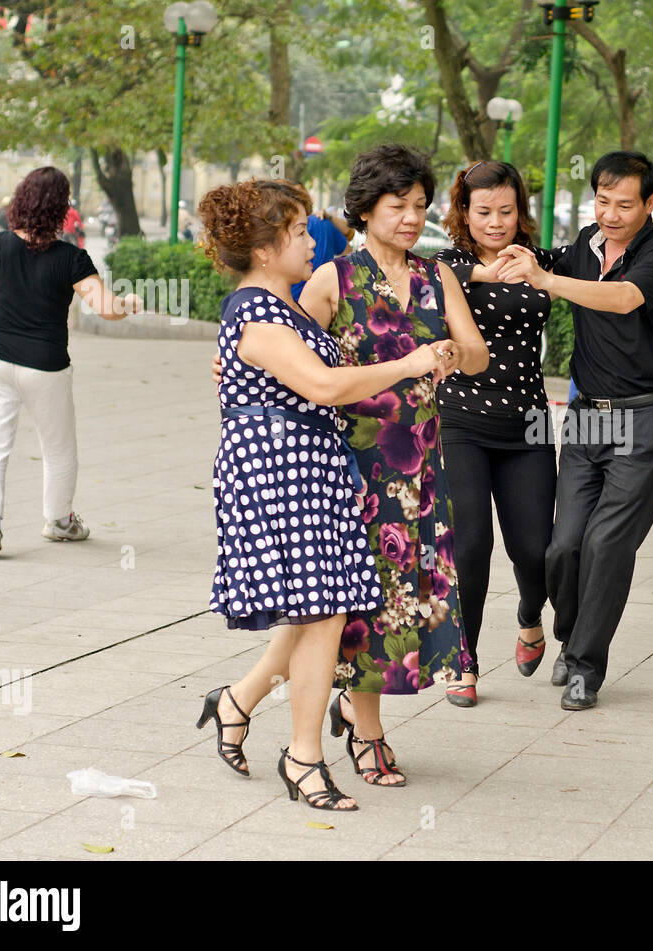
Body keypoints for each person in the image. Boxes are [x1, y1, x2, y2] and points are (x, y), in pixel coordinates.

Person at [197, 178, 450, 810]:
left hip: (310, 468)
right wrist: (410, 363)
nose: (313, 239)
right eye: (299, 231)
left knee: (324, 612)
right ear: (263, 249)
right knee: (321, 613)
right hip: (279, 472)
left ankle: (261, 721)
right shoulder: (254, 311)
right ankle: (302, 757)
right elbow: (325, 386)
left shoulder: (277, 308)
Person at [298, 143, 489, 783]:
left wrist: (447, 357)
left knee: (405, 597)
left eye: (419, 206)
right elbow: (293, 356)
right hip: (354, 463)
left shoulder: (438, 276)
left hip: (421, 463)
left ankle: (345, 714)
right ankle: (367, 730)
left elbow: (477, 353)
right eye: (397, 205)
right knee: (366, 601)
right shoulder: (334, 278)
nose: (411, 217)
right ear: (365, 207)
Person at [496, 150, 653, 710]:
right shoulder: (584, 244)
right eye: (603, 200)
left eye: (625, 204)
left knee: (607, 545)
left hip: (644, 419)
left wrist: (548, 279)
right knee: (563, 546)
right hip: (585, 419)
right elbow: (537, 262)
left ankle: (584, 666)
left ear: (650, 204)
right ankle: (571, 635)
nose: (611, 213)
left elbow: (623, 300)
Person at [0, 166, 141, 557]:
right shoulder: (72, 259)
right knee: (59, 447)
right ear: (61, 208)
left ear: (21, 201)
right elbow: (104, 307)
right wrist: (127, 303)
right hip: (46, 365)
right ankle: (59, 521)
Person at [432, 160, 559, 706]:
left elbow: (586, 277)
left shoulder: (541, 261)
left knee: (536, 549)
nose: (496, 222)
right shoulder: (446, 262)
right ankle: (466, 658)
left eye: (506, 211)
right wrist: (487, 272)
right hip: (459, 420)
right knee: (471, 544)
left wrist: (534, 272)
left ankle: (531, 614)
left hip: (527, 420)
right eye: (483, 211)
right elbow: (430, 278)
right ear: (464, 212)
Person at [291, 207, 353, 301]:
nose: (312, 243)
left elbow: (350, 233)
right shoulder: (321, 222)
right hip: (324, 297)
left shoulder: (288, 229)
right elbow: (347, 248)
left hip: (295, 299)